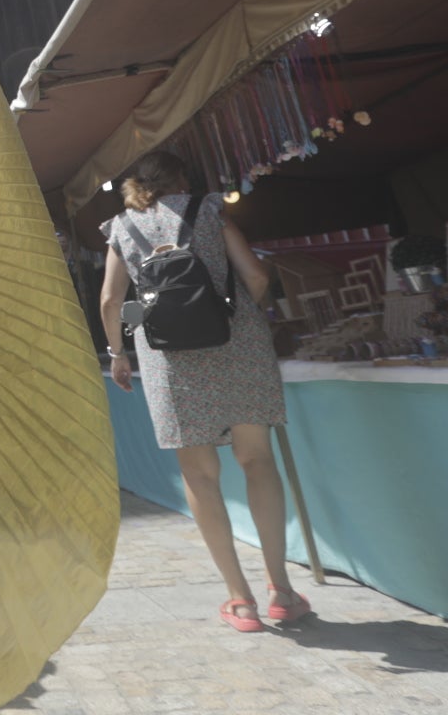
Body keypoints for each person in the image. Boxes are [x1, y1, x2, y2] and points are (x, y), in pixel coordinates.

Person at [98, 149, 308, 633]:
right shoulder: (209, 209)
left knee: (199, 476)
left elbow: (114, 301)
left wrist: (119, 352)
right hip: (238, 346)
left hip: (170, 361)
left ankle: (241, 601)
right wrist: (239, 316)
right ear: (182, 178)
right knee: (257, 460)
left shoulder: (121, 229)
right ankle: (281, 590)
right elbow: (255, 275)